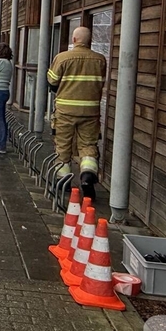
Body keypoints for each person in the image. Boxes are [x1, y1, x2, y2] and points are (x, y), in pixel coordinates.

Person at [46, 26, 107, 201]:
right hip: (90, 111)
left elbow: (52, 81)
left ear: (74, 40)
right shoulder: (100, 59)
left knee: (63, 145)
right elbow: (100, 83)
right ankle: (87, 175)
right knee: (88, 145)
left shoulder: (62, 58)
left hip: (65, 111)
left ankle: (63, 182)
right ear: (90, 41)